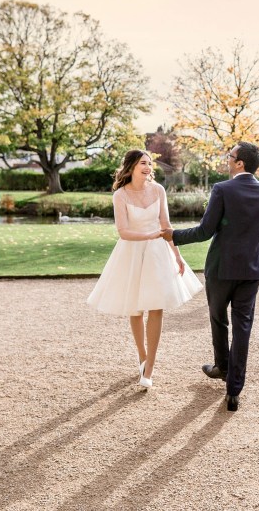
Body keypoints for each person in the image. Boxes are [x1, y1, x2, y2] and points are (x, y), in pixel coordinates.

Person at [162, 141, 259, 412]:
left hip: (221, 269)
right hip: (251, 271)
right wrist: (256, 264)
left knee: (217, 318)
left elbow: (205, 231)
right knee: (243, 327)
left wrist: (173, 235)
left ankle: (222, 368)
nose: (227, 159)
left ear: (240, 163)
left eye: (231, 156)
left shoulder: (222, 189)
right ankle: (234, 389)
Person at [87, 150, 203, 389]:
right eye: (143, 163)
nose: (148, 166)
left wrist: (177, 255)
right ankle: (142, 356)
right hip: (131, 252)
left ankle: (150, 367)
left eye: (150, 163)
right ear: (131, 167)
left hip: (158, 253)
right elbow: (123, 231)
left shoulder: (159, 190)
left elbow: (166, 226)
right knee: (136, 308)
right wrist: (150, 235)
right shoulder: (120, 195)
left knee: (157, 306)